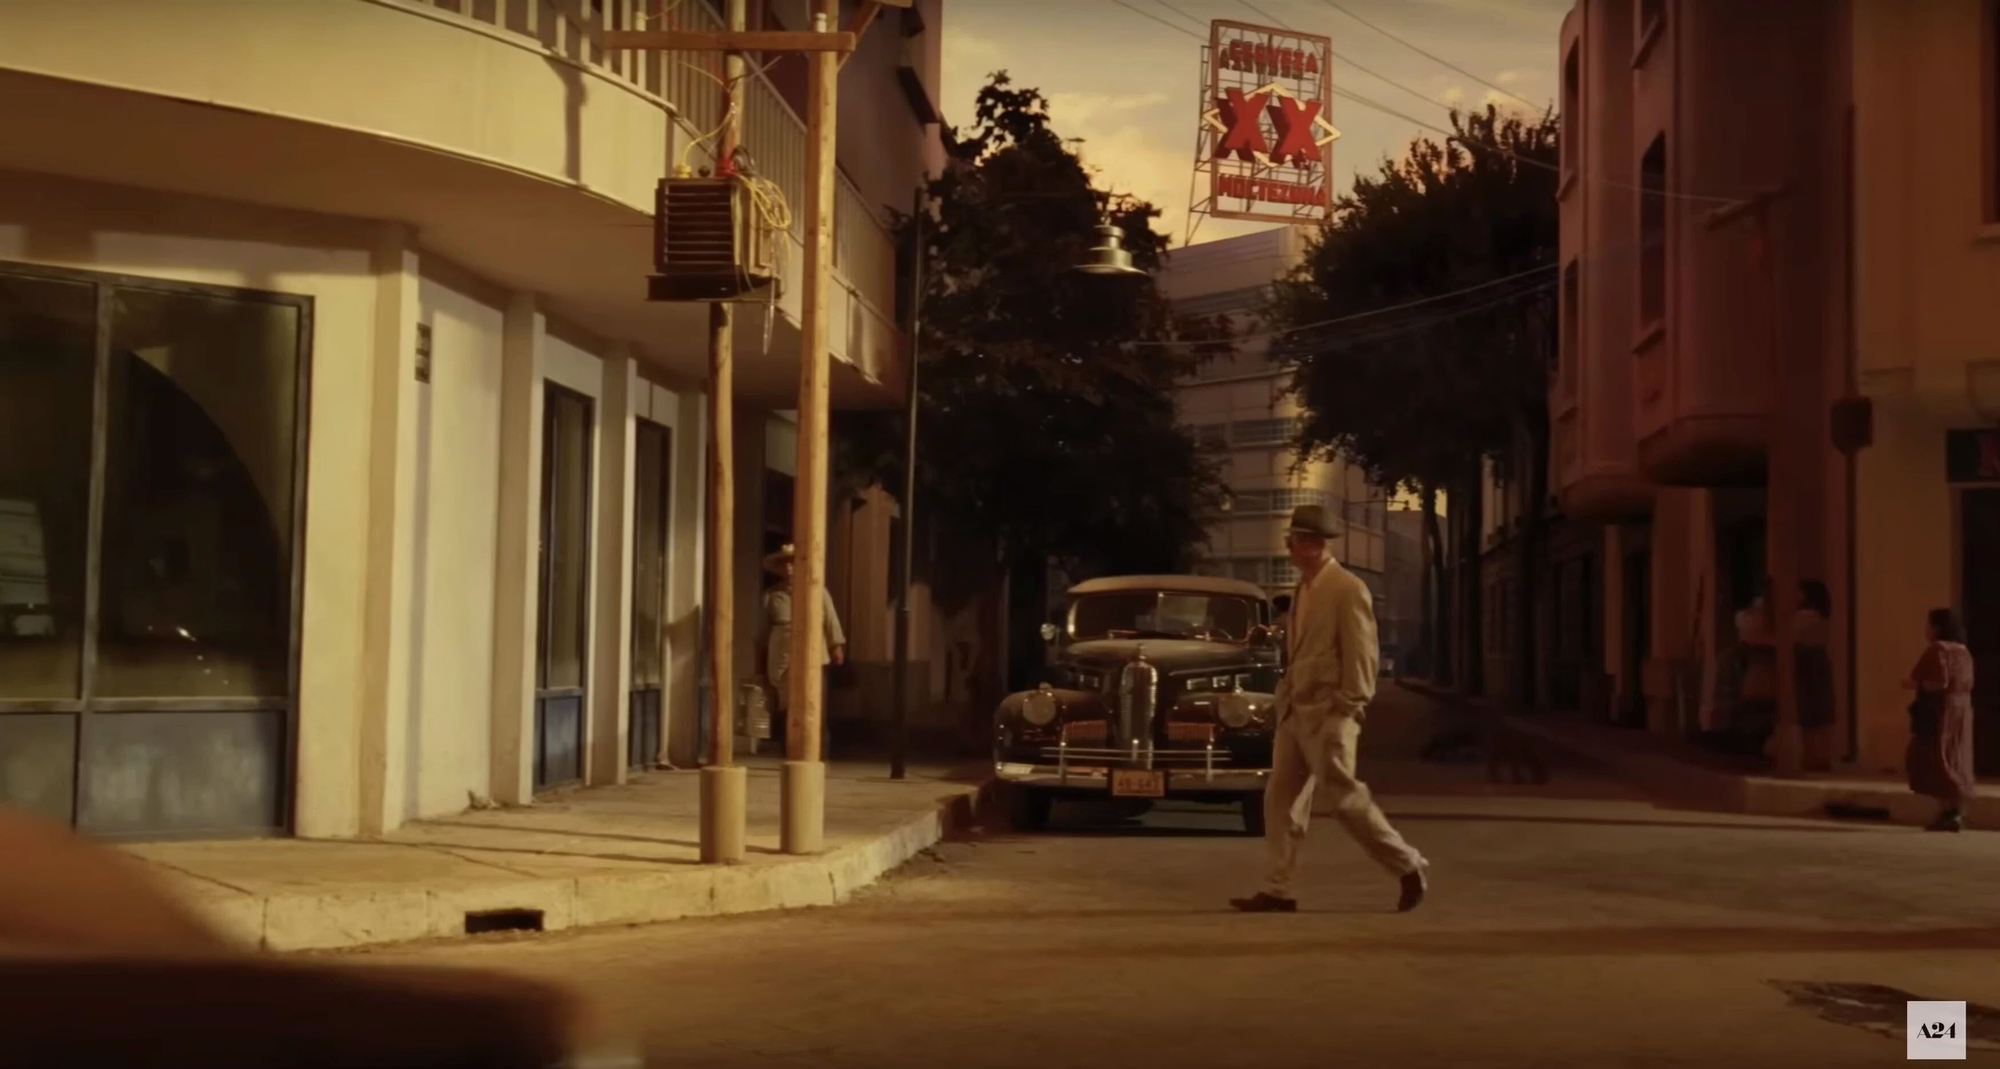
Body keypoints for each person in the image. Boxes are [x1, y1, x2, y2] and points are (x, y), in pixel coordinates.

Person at [1230, 505, 1428, 914]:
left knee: (1344, 799)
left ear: (1311, 543)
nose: (1288, 547)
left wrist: (1348, 705)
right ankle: (1278, 888)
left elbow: (1362, 655)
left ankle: (1407, 864)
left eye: (1293, 540)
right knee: (1280, 799)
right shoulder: (1305, 588)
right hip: (1295, 712)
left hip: (1328, 713)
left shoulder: (1347, 588)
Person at [760, 544, 846, 760]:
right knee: (786, 708)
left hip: (813, 657)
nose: (789, 568)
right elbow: (762, 631)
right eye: (784, 564)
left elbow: (830, 619)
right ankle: (789, 752)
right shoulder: (772, 596)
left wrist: (836, 646)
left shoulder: (818, 591)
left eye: (793, 563)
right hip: (782, 659)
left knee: (814, 706)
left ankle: (818, 754)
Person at [1904, 607, 1976, 832]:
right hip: (1962, 710)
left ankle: (1948, 811)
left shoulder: (1938, 650)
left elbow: (1938, 682)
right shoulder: (1963, 651)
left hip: (1940, 711)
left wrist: (1913, 685)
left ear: (1937, 627)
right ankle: (1956, 810)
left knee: (1935, 757)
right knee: (1957, 756)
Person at [1795, 579, 1837, 771]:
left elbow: (1791, 635)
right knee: (1820, 714)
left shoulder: (1805, 616)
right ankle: (1821, 756)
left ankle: (1814, 757)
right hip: (1818, 662)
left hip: (1807, 664)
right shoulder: (1821, 617)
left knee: (1810, 714)